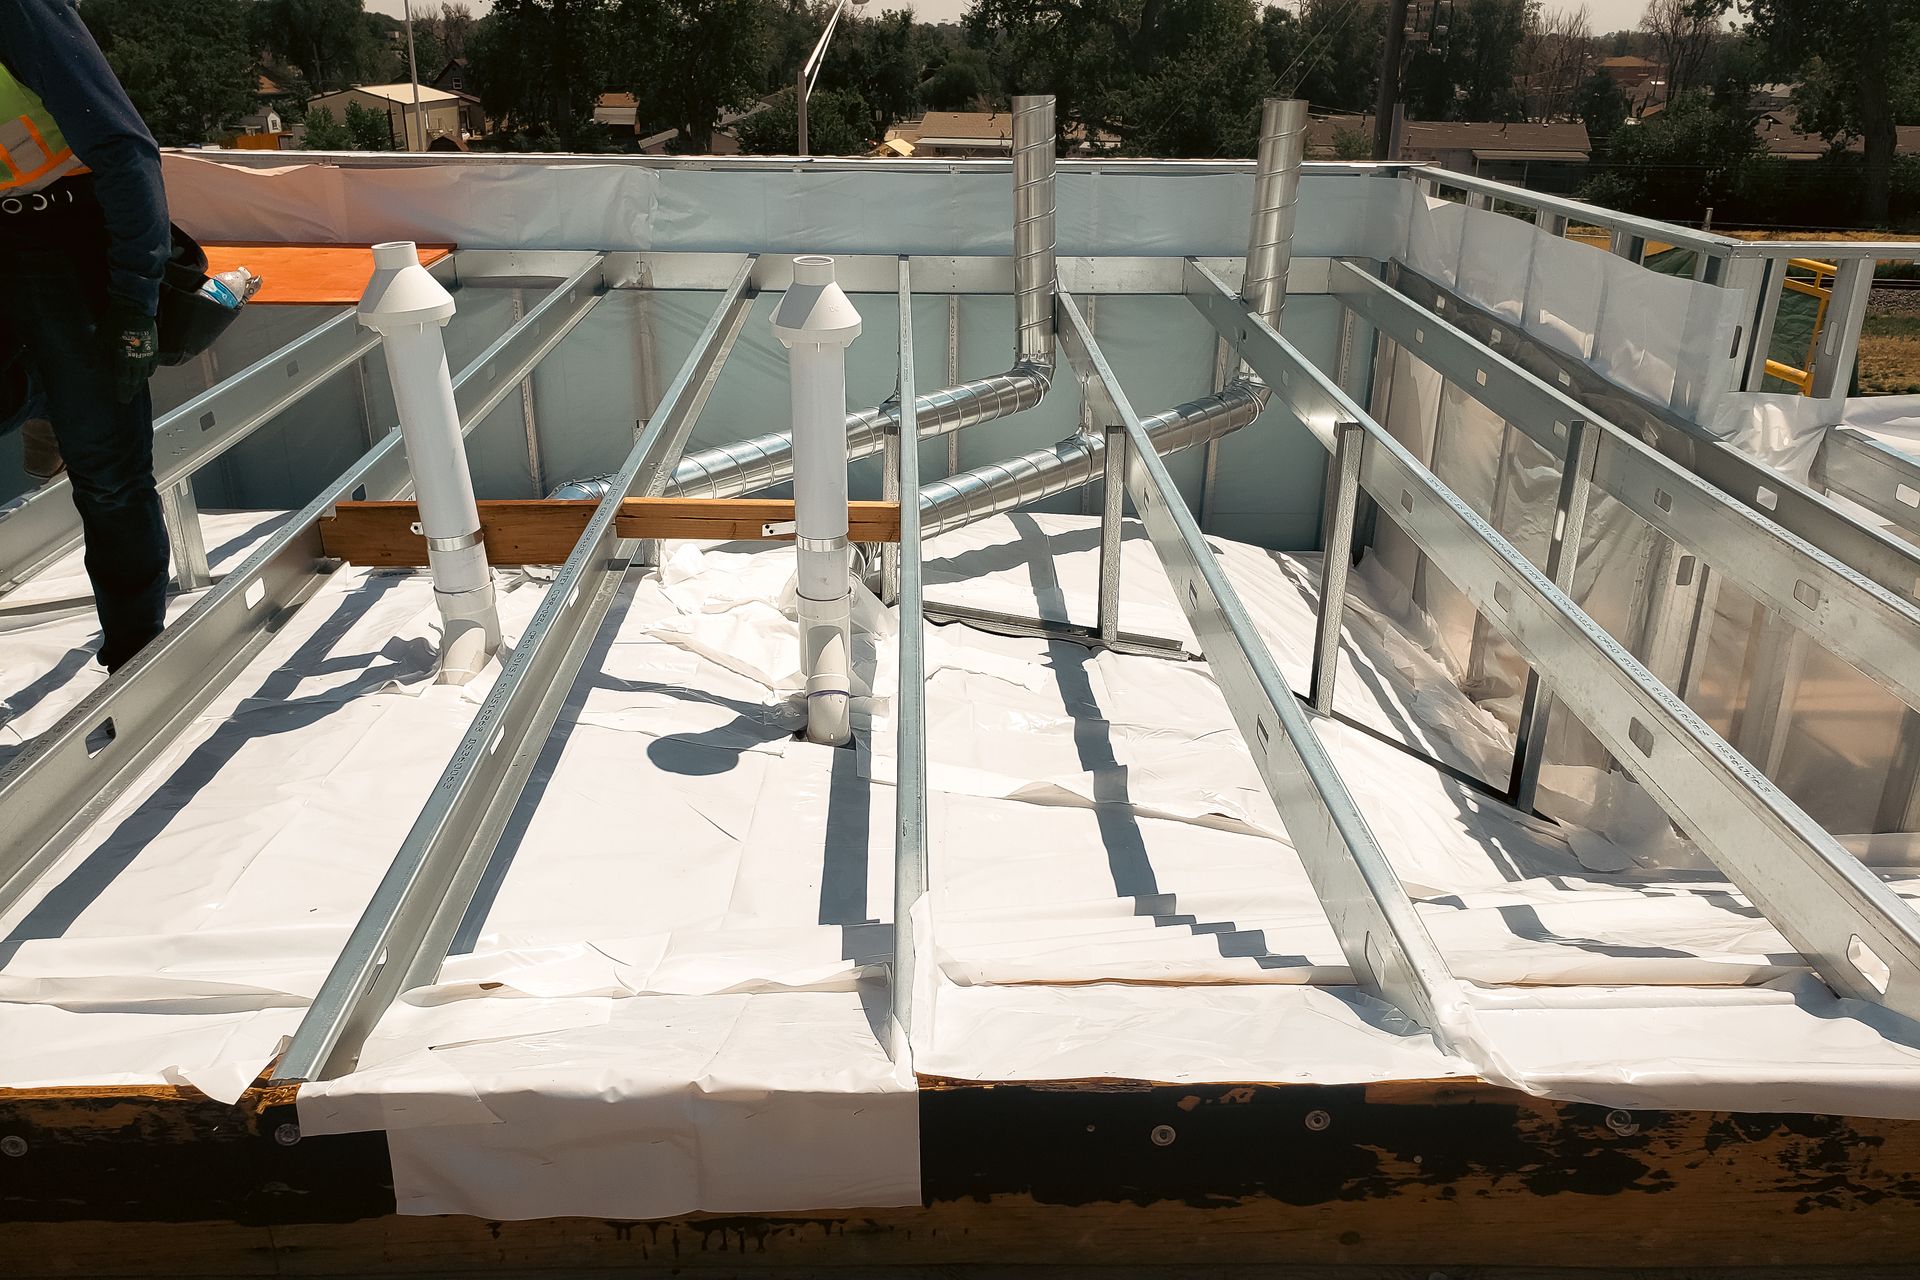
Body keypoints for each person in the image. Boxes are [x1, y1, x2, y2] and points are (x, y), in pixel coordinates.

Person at [0, 0, 170, 672]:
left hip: (63, 246)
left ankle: (133, 659)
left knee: (109, 477)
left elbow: (124, 150)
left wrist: (134, 298)